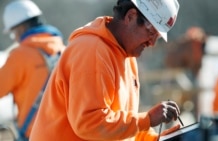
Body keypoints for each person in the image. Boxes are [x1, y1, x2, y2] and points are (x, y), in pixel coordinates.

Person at [30, 0, 181, 140]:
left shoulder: (127, 56)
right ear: (131, 16)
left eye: (157, 37)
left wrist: (154, 138)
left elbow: (119, 125)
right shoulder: (92, 50)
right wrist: (147, 119)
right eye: (151, 32)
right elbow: (89, 123)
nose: (152, 43)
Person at [0, 0, 65, 140]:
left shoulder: (20, 55)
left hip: (35, 134)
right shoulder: (64, 50)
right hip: (65, 133)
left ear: (21, 29)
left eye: (13, 34)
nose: (15, 39)